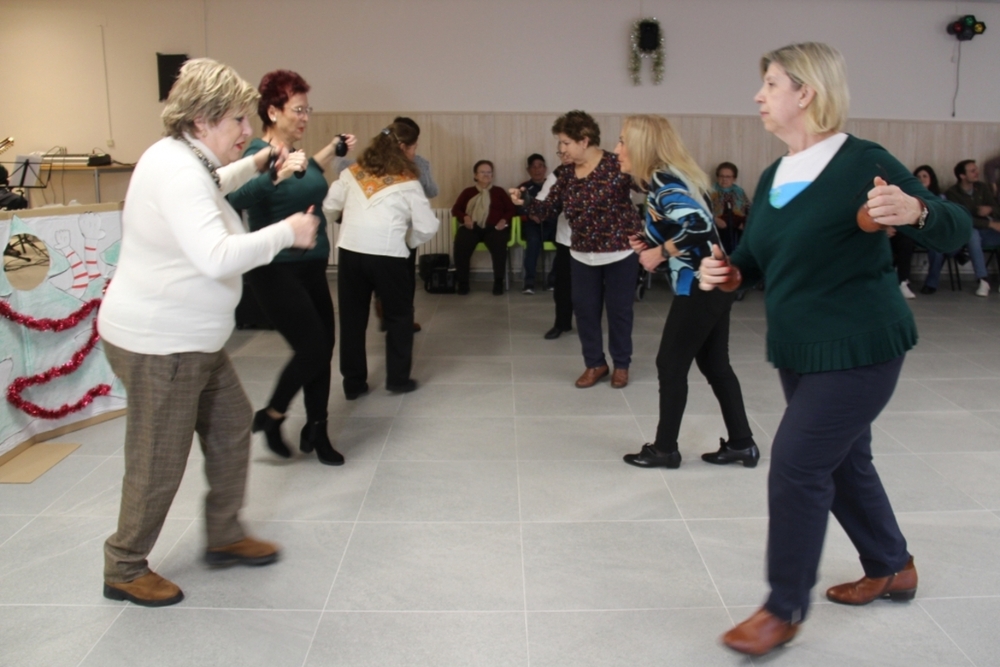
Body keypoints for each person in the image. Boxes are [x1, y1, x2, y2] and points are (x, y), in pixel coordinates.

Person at [699, 43, 971, 656]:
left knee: (797, 463)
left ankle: (782, 608)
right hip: (800, 347)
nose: (758, 95)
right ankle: (892, 564)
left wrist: (914, 209)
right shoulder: (772, 175)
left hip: (863, 344)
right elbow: (754, 259)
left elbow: (952, 226)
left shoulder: (862, 161)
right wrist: (729, 272)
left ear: (807, 93)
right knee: (844, 461)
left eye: (770, 83)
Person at [97, 58, 320, 607]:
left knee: (227, 434)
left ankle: (223, 535)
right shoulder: (175, 171)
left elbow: (214, 183)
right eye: (238, 122)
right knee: (157, 461)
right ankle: (124, 566)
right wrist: (287, 232)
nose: (247, 131)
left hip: (194, 342)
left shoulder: (182, 159)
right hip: (162, 345)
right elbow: (217, 255)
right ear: (201, 120)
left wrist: (257, 164)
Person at [227, 69, 356, 465]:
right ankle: (272, 414)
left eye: (307, 109)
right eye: (297, 110)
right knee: (312, 347)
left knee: (323, 350)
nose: (304, 117)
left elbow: (305, 175)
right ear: (273, 111)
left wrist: (330, 150)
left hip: (313, 266)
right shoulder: (255, 154)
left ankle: (316, 430)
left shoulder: (297, 155)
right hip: (274, 269)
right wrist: (274, 174)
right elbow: (236, 197)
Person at [615, 115, 756, 471]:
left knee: (670, 364)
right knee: (714, 364)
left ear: (641, 147)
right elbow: (690, 230)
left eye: (621, 142)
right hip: (713, 283)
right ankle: (742, 444)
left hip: (701, 287)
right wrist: (650, 241)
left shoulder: (664, 181)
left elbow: (699, 225)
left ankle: (665, 450)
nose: (616, 149)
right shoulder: (667, 180)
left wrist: (659, 252)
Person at [513, 110, 641, 389]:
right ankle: (595, 363)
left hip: (620, 252)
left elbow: (646, 185)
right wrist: (523, 201)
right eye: (560, 143)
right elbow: (547, 208)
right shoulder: (565, 174)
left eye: (565, 142)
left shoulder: (616, 163)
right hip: (581, 253)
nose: (560, 149)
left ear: (584, 141)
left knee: (619, 311)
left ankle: (621, 364)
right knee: (584, 310)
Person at [322, 122, 439, 397]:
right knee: (399, 317)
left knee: (352, 320)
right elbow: (427, 226)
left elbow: (329, 208)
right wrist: (408, 243)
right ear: (403, 148)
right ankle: (397, 380)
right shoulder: (408, 181)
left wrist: (349, 222)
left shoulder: (352, 172)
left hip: (350, 253)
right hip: (389, 256)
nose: (414, 152)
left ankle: (353, 384)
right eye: (413, 147)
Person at [373, 116, 438, 332]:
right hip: (405, 229)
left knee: (385, 272)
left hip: (384, 228)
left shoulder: (375, 162)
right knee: (405, 276)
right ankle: (402, 318)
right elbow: (432, 191)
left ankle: (387, 311)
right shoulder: (418, 163)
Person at [452, 160, 515, 295]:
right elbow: (456, 209)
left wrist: (504, 220)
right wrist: (465, 217)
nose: (486, 175)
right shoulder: (468, 192)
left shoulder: (499, 192)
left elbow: (511, 209)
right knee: (461, 242)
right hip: (472, 227)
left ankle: (498, 281)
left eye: (489, 172)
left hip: (494, 228)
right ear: (475, 175)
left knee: (499, 244)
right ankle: (463, 282)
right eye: (482, 172)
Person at [940, 160, 1000, 297]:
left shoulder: (982, 188)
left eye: (976, 170)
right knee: (972, 234)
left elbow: (997, 208)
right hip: (966, 233)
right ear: (962, 176)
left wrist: (990, 209)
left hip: (986, 233)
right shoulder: (953, 193)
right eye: (972, 171)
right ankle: (983, 279)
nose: (977, 173)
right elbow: (964, 220)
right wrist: (990, 224)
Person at [534, 150, 575, 339]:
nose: (563, 154)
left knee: (592, 289)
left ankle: (589, 325)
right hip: (567, 239)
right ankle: (562, 323)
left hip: (596, 242)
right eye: (560, 150)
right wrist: (528, 203)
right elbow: (541, 201)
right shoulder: (558, 174)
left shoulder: (600, 170)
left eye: (567, 146)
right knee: (562, 285)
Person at [517, 153, 557, 294]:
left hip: (552, 224)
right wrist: (530, 214)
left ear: (545, 168)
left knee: (565, 245)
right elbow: (518, 209)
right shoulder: (523, 188)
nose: (537, 169)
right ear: (528, 170)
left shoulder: (554, 186)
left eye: (540, 166)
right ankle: (529, 282)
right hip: (532, 225)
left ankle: (553, 280)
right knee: (533, 242)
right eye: (533, 167)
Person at [710, 161, 750, 255]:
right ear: (717, 177)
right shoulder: (710, 192)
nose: (724, 179)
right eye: (721, 176)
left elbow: (749, 210)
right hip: (717, 232)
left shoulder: (740, 193)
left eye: (728, 177)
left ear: (734, 179)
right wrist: (714, 219)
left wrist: (744, 222)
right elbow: (702, 211)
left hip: (737, 233)